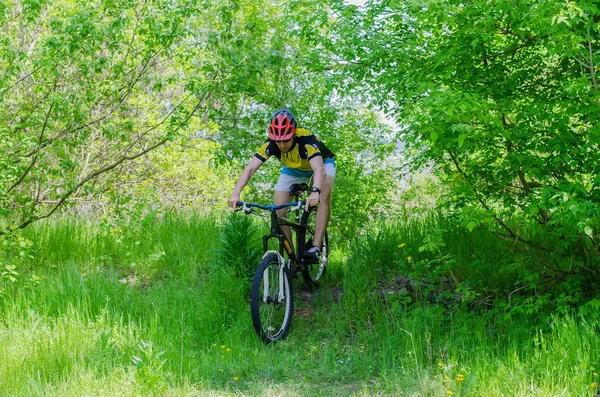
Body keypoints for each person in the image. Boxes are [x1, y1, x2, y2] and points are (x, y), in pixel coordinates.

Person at [228, 108, 335, 264]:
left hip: (322, 163)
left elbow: (319, 170)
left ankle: (316, 247)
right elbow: (250, 168)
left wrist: (315, 192)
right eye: (278, 141)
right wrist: (235, 193)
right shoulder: (271, 144)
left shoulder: (306, 138)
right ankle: (293, 260)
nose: (282, 144)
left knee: (324, 194)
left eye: (286, 140)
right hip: (293, 169)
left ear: (293, 134)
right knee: (279, 211)